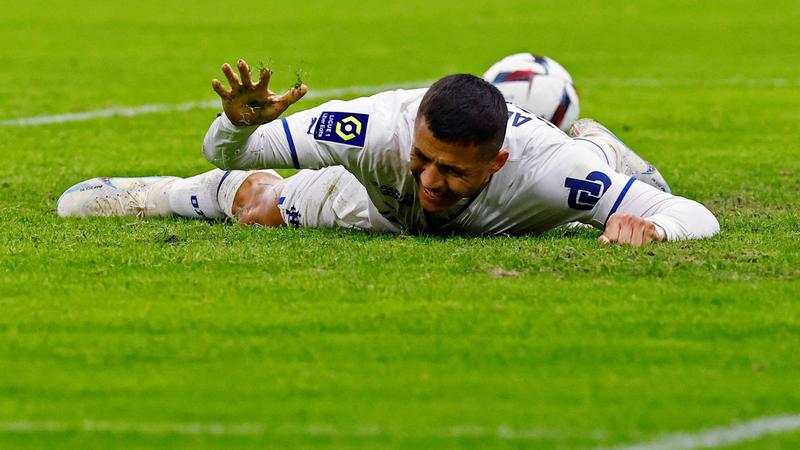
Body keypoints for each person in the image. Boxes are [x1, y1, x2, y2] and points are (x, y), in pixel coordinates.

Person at [58, 60, 719, 246]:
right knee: (258, 206)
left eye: (454, 170)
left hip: (526, 203)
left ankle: (601, 140)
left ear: (497, 164)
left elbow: (697, 215)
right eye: (424, 157)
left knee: (597, 184)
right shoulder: (371, 129)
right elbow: (232, 147)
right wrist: (232, 125)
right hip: (378, 200)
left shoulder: (553, 171)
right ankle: (151, 192)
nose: (432, 178)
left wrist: (652, 225)